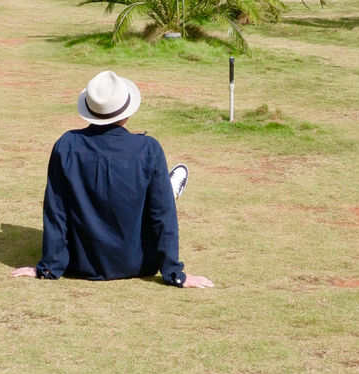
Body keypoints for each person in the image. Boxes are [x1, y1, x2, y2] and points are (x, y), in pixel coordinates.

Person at [12, 70, 213, 288]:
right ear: (126, 112)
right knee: (161, 201)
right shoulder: (148, 149)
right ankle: (169, 188)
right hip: (138, 262)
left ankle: (168, 188)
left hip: (79, 263)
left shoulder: (66, 145)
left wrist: (49, 267)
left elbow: (56, 210)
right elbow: (162, 215)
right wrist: (174, 273)